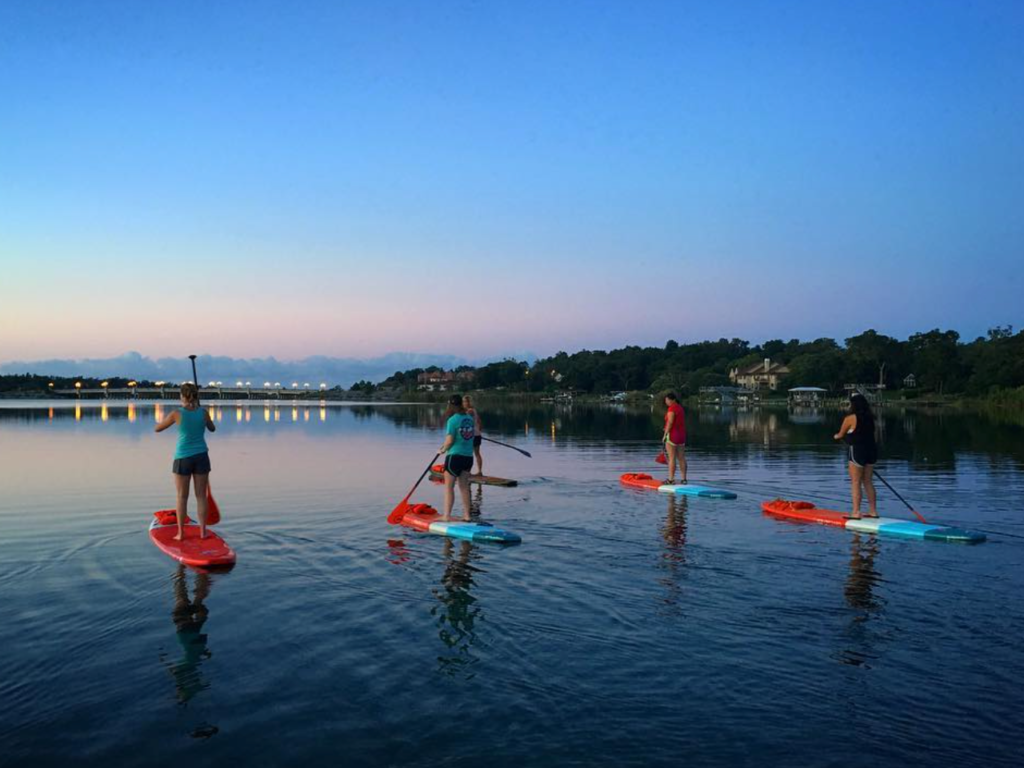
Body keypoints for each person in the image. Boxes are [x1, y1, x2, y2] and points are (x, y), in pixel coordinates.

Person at [155, 382, 216, 540]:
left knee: (182, 497)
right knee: (201, 496)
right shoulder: (204, 412)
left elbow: (158, 428)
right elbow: (212, 428)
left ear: (182, 396)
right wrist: (203, 415)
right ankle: (203, 532)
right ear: (196, 396)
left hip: (183, 457)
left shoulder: (177, 413)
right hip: (202, 456)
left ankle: (181, 534)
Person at [833, 393, 878, 519]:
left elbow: (841, 434)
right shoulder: (871, 418)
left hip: (858, 451)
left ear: (853, 405)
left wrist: (836, 436)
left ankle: (856, 512)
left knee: (856, 481)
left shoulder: (850, 418)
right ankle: (873, 511)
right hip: (872, 451)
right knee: (868, 481)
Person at [439, 394, 475, 522]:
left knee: (449, 487)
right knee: (464, 487)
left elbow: (449, 441)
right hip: (468, 457)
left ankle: (446, 516)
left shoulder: (452, 420)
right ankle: (467, 515)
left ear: (451, 405)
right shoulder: (470, 418)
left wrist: (442, 450)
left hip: (454, 456)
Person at [662, 392, 687, 484]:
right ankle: (684, 479)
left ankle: (671, 480)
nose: (666, 402)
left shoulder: (672, 408)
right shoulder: (680, 408)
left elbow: (670, 422)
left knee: (672, 458)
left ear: (672, 400)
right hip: (682, 435)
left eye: (667, 400)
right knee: (681, 457)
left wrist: (665, 435)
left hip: (673, 435)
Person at [462, 395, 484, 476]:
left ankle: (474, 472)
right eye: (464, 401)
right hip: (476, 435)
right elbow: (479, 422)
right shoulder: (474, 410)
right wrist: (479, 432)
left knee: (471, 454)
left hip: (471, 436)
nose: (465, 403)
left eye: (467, 401)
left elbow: (464, 419)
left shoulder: (470, 411)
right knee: (475, 453)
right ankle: (478, 471)